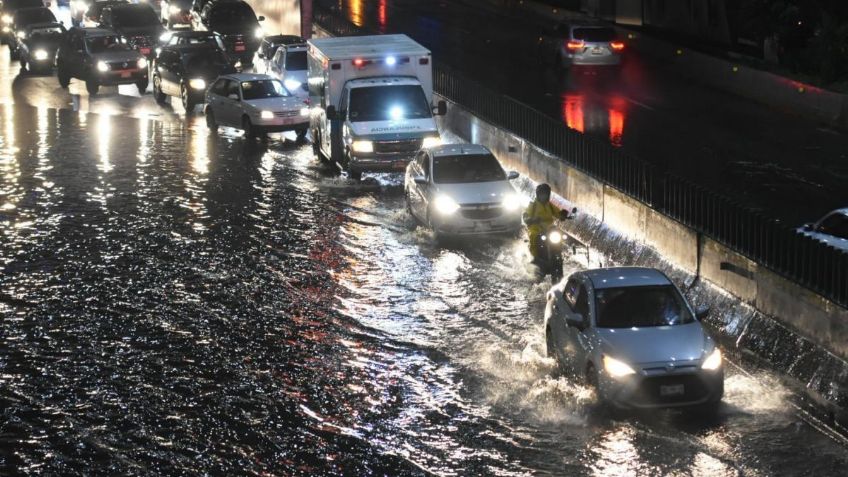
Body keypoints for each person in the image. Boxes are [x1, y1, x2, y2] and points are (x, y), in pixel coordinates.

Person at [523, 183, 569, 261]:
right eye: (541, 194)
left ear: (548, 195)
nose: (543, 196)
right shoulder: (533, 205)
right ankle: (534, 258)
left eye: (545, 194)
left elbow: (557, 213)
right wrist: (530, 219)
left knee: (559, 236)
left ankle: (558, 254)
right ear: (538, 195)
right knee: (533, 237)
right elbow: (526, 215)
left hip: (549, 228)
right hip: (536, 228)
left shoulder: (550, 205)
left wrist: (562, 215)